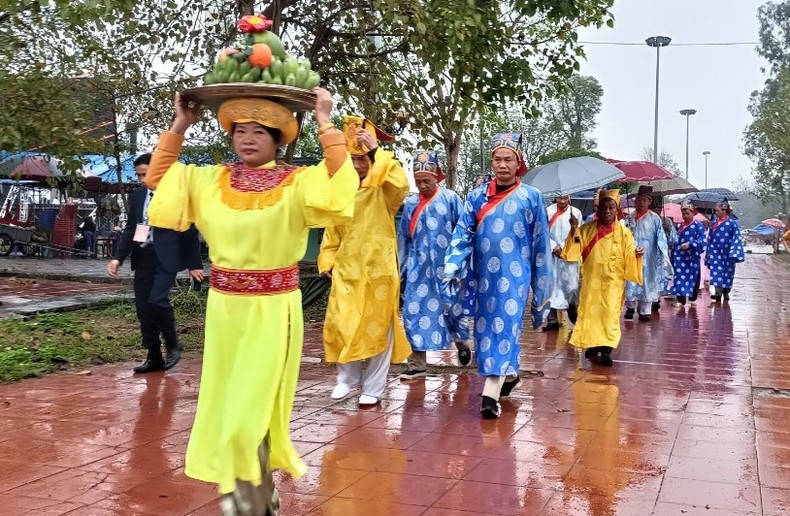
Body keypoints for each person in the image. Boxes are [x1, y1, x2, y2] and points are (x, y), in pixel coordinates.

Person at [143, 88, 358, 515]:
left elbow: (342, 181)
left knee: (252, 411)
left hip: (274, 307)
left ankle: (253, 500)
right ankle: (253, 499)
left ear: (279, 139)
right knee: (228, 407)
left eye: (259, 131)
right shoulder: (207, 180)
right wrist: (180, 125)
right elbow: (157, 179)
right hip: (225, 309)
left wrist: (324, 118)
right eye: (240, 130)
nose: (247, 138)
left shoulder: (298, 181)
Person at [443, 133, 552, 419]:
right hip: (481, 278)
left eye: (509, 159)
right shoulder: (476, 196)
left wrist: (541, 290)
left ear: (519, 164)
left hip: (515, 278)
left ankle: (489, 395)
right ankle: (510, 373)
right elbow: (463, 233)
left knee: (505, 327)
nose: (502, 165)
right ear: (492, 162)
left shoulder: (531, 197)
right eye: (498, 159)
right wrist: (453, 267)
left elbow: (541, 244)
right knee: (486, 330)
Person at [318, 115, 411, 406]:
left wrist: (375, 152)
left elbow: (400, 184)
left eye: (363, 159)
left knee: (378, 328)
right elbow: (331, 230)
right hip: (347, 269)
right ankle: (347, 378)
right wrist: (327, 259)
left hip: (379, 271)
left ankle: (373, 386)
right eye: (353, 159)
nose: (358, 166)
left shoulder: (383, 191)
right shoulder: (341, 190)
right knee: (343, 322)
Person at [108, 153, 203, 374]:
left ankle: (173, 346)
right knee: (143, 308)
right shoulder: (138, 195)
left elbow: (189, 230)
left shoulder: (175, 195)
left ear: (158, 171)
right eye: (139, 175)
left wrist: (194, 264)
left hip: (166, 258)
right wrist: (117, 258)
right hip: (143, 258)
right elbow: (132, 229)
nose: (142, 179)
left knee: (157, 299)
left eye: (145, 174)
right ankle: (154, 355)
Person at [397, 150, 471, 380]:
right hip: (418, 269)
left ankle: (462, 344)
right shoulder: (410, 204)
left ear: (437, 176)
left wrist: (460, 264)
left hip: (447, 268)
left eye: (426, 181)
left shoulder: (451, 199)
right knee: (414, 311)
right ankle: (417, 362)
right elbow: (403, 239)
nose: (422, 185)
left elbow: (463, 231)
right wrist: (402, 268)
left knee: (452, 310)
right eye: (418, 181)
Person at [562, 189, 643, 366]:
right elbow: (575, 250)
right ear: (599, 209)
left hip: (614, 283)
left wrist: (637, 254)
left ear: (617, 209)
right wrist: (574, 229)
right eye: (604, 207)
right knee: (593, 316)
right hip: (592, 281)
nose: (607, 211)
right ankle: (593, 345)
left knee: (609, 316)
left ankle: (606, 350)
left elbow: (629, 254)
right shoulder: (587, 229)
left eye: (611, 208)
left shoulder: (624, 233)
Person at [623, 186, 671, 322]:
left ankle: (644, 311)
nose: (641, 203)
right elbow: (622, 234)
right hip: (632, 254)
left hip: (649, 256)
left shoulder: (655, 218)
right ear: (635, 201)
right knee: (630, 280)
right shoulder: (629, 217)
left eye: (645, 200)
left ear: (649, 202)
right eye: (639, 200)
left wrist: (663, 255)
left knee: (648, 281)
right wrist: (628, 227)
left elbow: (661, 239)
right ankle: (630, 307)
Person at [543, 194, 583, 331]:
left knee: (571, 286)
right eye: (560, 198)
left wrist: (573, 228)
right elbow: (543, 232)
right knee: (551, 287)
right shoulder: (548, 211)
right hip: (552, 255)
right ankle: (552, 320)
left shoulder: (576, 213)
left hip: (569, 256)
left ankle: (572, 307)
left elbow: (578, 235)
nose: (563, 201)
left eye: (565, 198)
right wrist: (554, 246)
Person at [706, 199, 745, 302]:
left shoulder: (732, 224)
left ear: (724, 210)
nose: (716, 213)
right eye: (716, 211)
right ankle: (718, 292)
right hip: (715, 251)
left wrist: (734, 250)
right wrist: (709, 250)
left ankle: (726, 291)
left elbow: (736, 237)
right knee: (716, 270)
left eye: (718, 210)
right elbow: (710, 237)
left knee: (728, 272)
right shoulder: (713, 223)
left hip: (728, 252)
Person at [669, 201, 706, 307]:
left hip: (692, 257)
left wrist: (690, 244)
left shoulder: (698, 226)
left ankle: (693, 297)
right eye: (683, 213)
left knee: (694, 276)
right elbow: (673, 239)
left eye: (687, 213)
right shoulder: (679, 226)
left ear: (692, 212)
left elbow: (702, 241)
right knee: (679, 276)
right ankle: (680, 299)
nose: (685, 216)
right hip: (679, 256)